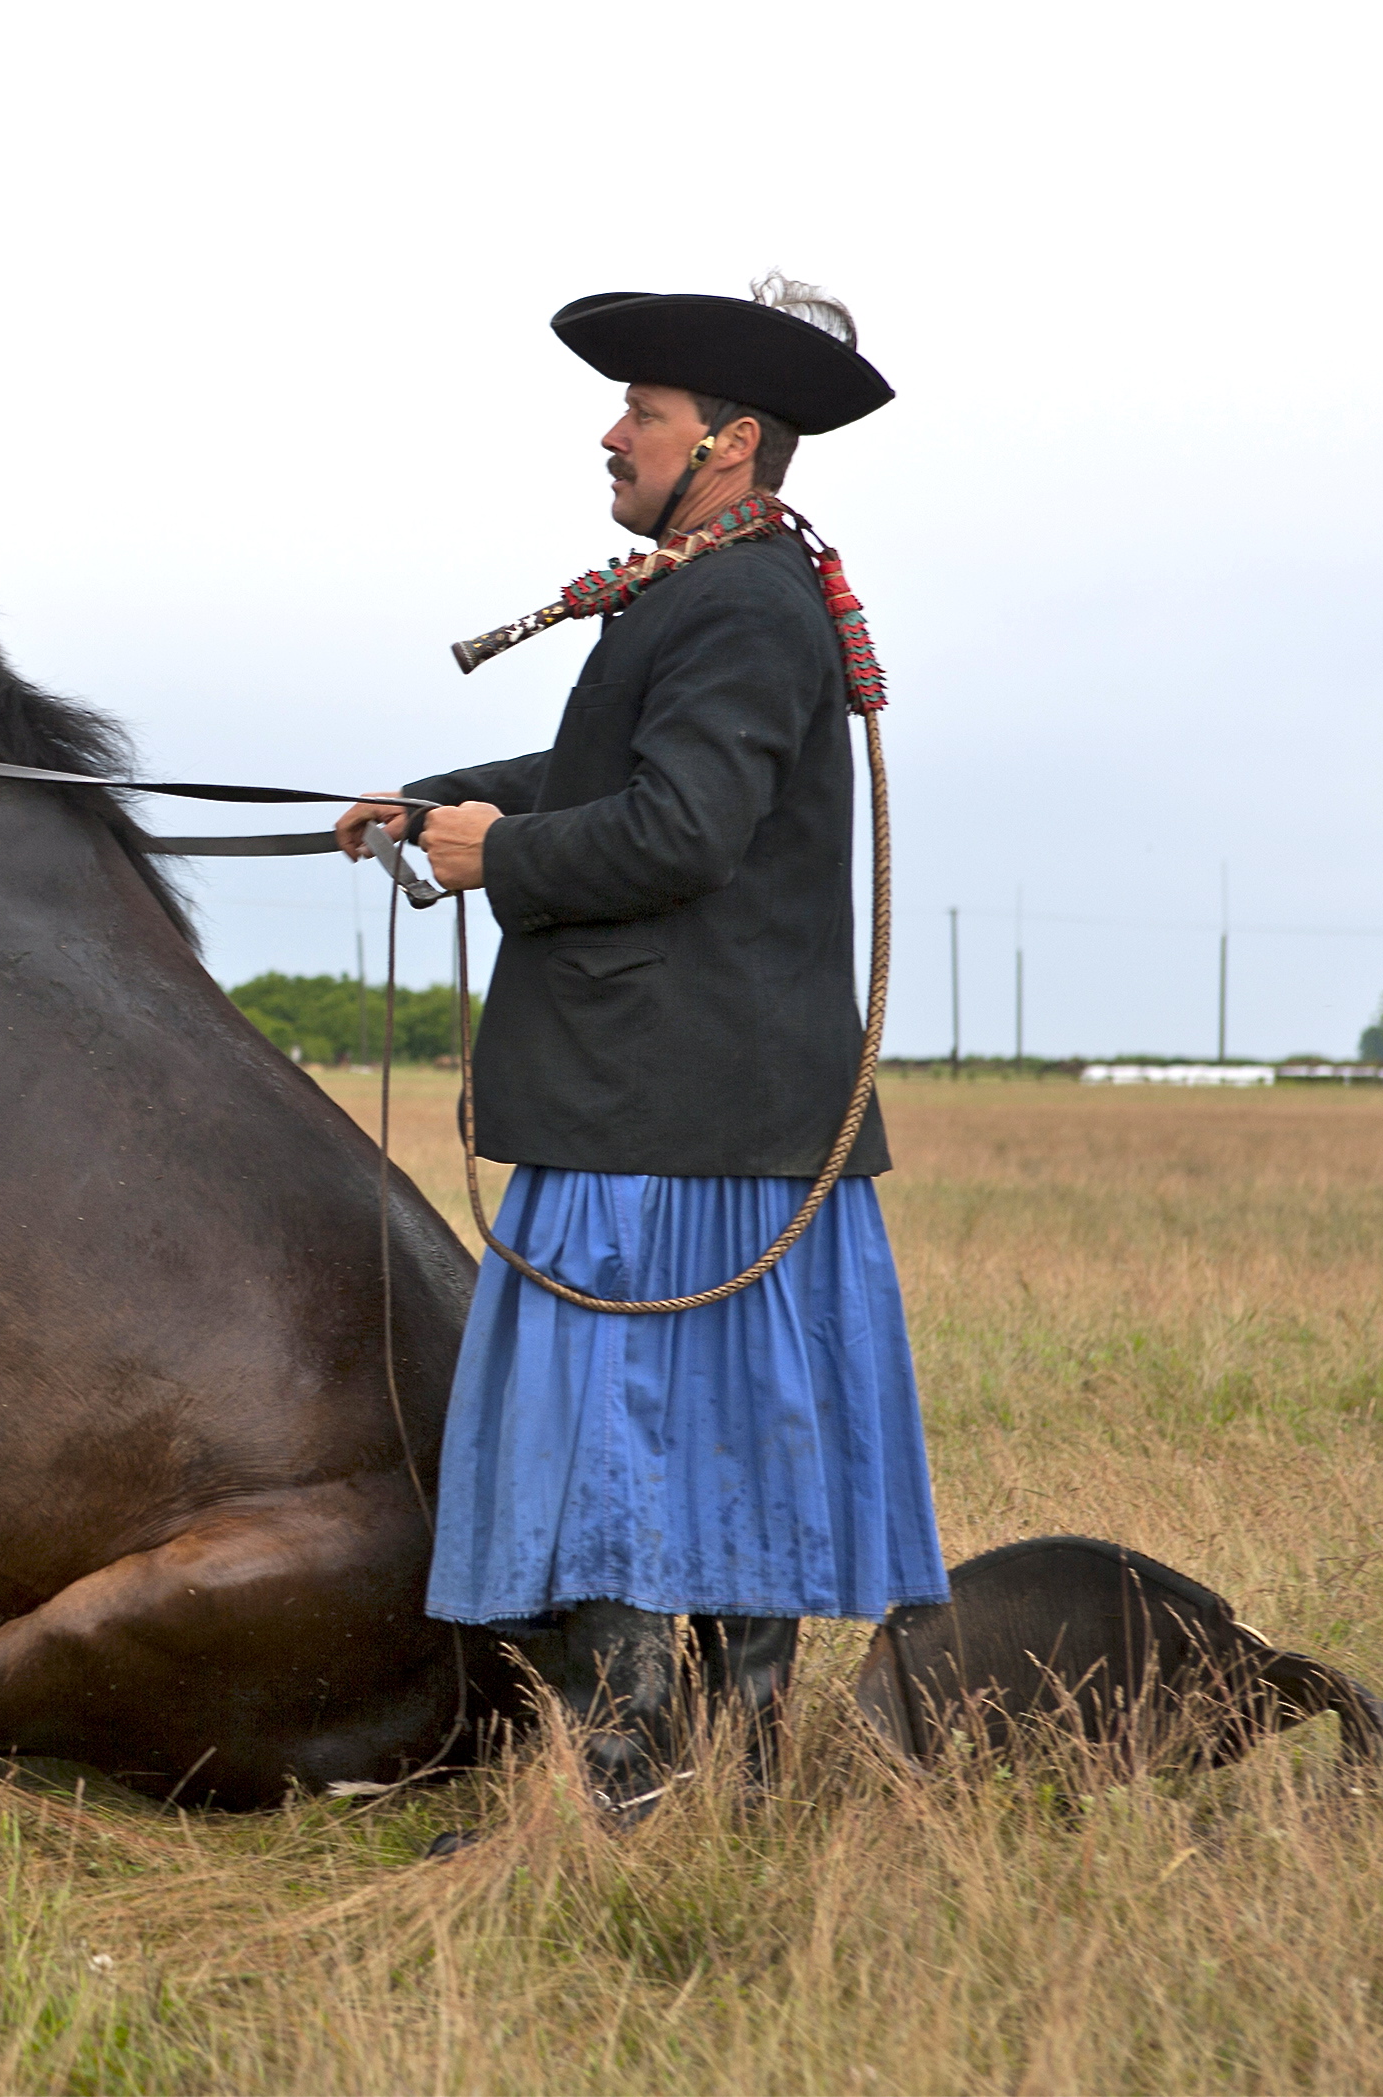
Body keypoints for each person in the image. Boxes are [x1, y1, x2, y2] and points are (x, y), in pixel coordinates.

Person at [335, 276, 947, 1848]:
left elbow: (678, 832)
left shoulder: (736, 602)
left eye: (643, 415)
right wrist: (438, 803)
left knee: (620, 1459)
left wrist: (497, 860)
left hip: (673, 1130)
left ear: (729, 443)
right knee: (718, 1463)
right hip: (698, 1120)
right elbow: (606, 775)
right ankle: (711, 1790)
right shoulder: (723, 587)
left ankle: (630, 1795)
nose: (611, 434)